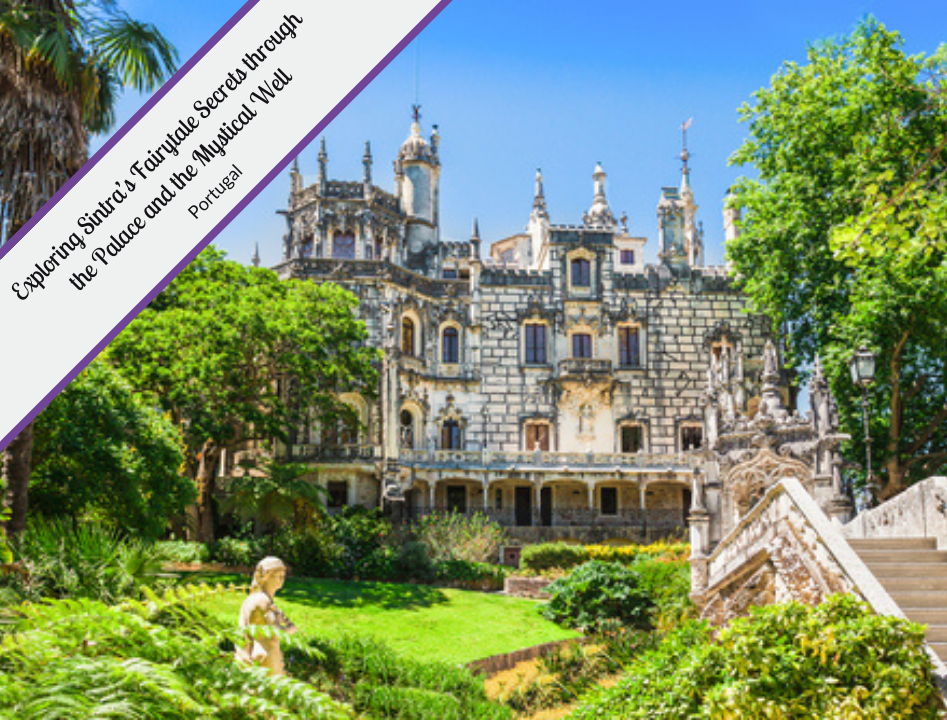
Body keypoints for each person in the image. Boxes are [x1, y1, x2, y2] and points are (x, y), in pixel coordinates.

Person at [235, 556, 297, 675]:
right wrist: (291, 628)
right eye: (276, 576)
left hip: (263, 655)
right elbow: (275, 633)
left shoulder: (256, 599)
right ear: (265, 576)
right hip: (267, 657)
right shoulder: (262, 600)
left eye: (282, 576)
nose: (280, 580)